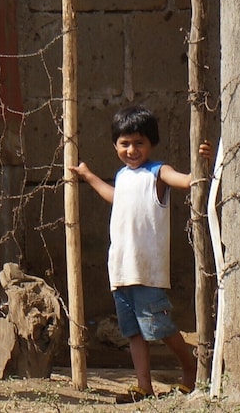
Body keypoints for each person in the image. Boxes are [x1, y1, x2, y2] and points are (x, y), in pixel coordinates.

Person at [68, 104, 210, 402]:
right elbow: (116, 198)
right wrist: (88, 176)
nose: (132, 150)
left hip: (147, 272)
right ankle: (144, 386)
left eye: (139, 143)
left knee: (160, 327)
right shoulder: (122, 176)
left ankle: (192, 370)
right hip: (120, 270)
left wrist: (202, 162)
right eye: (125, 143)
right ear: (115, 145)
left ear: (151, 143)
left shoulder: (158, 172)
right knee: (132, 331)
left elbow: (187, 181)